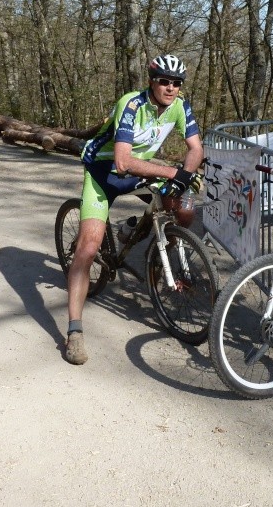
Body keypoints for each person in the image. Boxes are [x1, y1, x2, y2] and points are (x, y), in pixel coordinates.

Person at [64, 54, 204, 365]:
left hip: (142, 172)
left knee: (183, 208)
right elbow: (123, 162)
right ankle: (74, 330)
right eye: (164, 81)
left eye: (176, 83)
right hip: (104, 173)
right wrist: (172, 172)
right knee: (87, 249)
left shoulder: (180, 106)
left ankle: (150, 247)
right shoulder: (131, 104)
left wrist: (184, 176)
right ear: (152, 81)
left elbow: (196, 148)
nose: (170, 88)